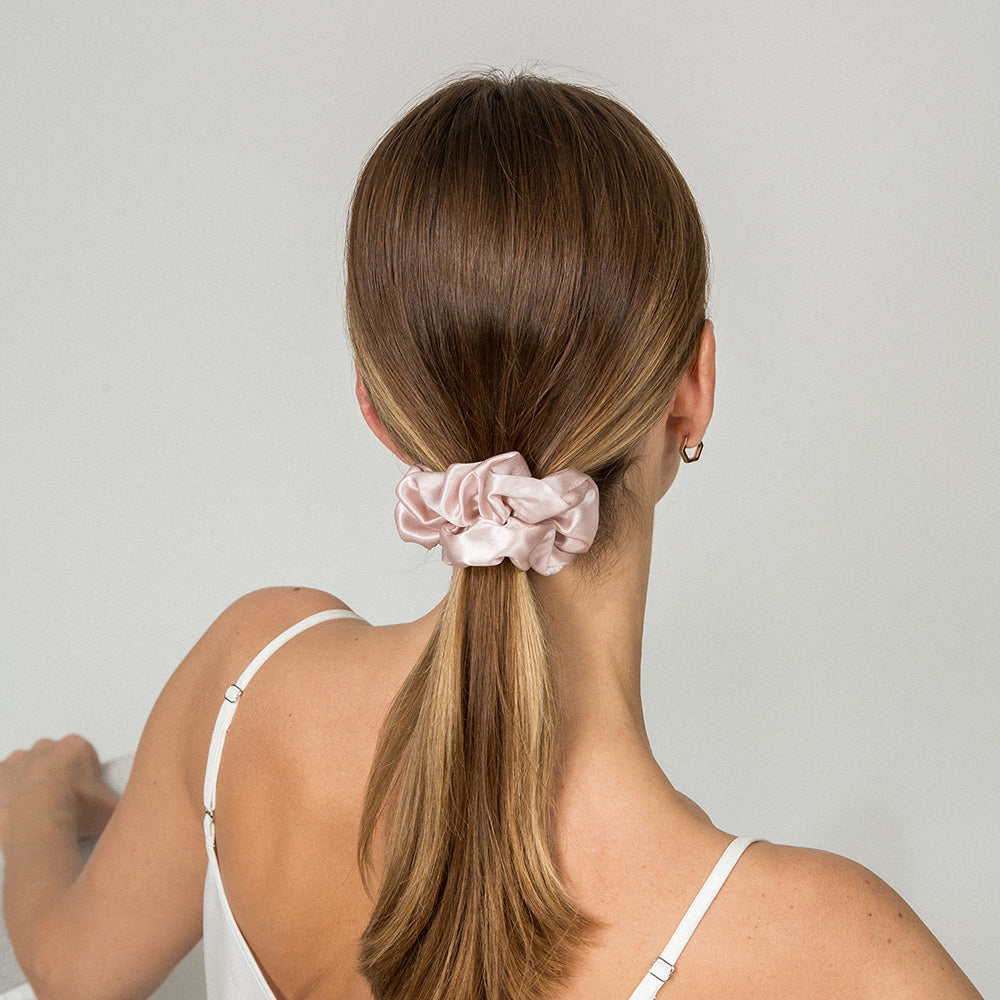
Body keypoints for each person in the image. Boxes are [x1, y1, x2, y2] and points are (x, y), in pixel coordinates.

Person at [0, 72, 983, 1000]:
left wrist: (32, 809)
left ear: (379, 409)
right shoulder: (827, 949)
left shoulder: (251, 681)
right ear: (694, 386)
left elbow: (74, 972)